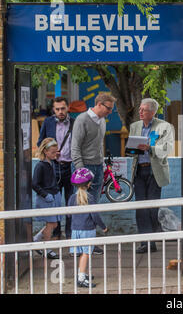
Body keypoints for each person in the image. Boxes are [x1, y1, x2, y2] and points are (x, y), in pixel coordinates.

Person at [71, 93, 115, 255]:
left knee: (93, 206)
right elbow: (75, 147)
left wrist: (102, 164)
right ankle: (77, 245)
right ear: (99, 104)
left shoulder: (102, 121)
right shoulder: (82, 120)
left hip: (97, 166)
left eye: (111, 109)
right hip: (84, 167)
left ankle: (90, 242)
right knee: (81, 206)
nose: (110, 112)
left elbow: (98, 145)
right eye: (108, 108)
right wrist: (80, 170)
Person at [129, 98, 174, 254]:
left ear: (153, 112)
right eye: (140, 109)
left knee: (152, 208)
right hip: (139, 171)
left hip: (155, 171)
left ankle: (153, 239)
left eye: (144, 110)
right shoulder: (134, 126)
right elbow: (131, 150)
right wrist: (134, 149)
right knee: (140, 207)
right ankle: (145, 242)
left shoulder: (164, 126)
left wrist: (150, 148)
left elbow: (167, 148)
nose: (140, 112)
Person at [37, 96, 75, 240]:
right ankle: (56, 233)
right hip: (53, 168)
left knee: (71, 201)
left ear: (68, 108)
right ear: (53, 109)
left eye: (62, 108)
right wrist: (51, 151)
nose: (60, 111)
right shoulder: (48, 122)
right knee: (54, 202)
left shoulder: (74, 123)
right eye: (57, 109)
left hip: (70, 166)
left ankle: (70, 234)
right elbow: (40, 142)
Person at [68, 168, 108, 288]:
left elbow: (69, 214)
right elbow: (95, 215)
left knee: (80, 253)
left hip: (75, 229)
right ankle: (81, 278)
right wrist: (104, 227)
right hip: (88, 230)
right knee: (86, 253)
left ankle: (82, 273)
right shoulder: (90, 198)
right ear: (89, 183)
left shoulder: (71, 198)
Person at [32, 138, 63, 259]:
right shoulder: (40, 166)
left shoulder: (53, 163)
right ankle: (46, 248)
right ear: (45, 151)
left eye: (56, 152)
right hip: (47, 197)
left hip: (54, 195)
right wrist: (45, 195)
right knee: (51, 224)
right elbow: (35, 184)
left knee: (54, 224)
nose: (55, 154)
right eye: (52, 152)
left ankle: (36, 240)